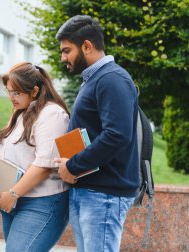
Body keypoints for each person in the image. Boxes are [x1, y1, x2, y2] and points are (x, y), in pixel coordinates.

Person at [55, 15, 139, 251]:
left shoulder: (112, 79)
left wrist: (73, 166)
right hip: (91, 190)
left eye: (67, 51)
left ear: (87, 46)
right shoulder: (95, 80)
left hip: (104, 194)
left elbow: (117, 135)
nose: (63, 58)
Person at [0, 62, 71, 252]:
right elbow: (12, 157)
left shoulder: (52, 114)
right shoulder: (20, 113)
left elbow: (44, 165)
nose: (11, 98)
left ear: (34, 90)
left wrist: (14, 193)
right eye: (9, 92)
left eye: (16, 93)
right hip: (12, 199)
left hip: (42, 202)